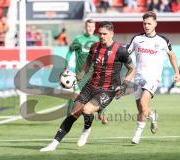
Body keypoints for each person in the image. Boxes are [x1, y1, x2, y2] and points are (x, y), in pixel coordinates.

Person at [40, 21, 135, 152]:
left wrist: (124, 85)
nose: (101, 36)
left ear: (112, 34)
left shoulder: (120, 50)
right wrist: (76, 77)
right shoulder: (95, 47)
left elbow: (131, 69)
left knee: (87, 110)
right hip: (90, 85)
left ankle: (86, 129)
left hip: (107, 90)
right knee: (73, 113)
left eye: (104, 34)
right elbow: (87, 65)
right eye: (100, 33)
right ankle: (53, 144)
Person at [127, 11, 180, 144]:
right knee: (141, 108)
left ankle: (137, 135)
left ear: (155, 23)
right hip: (138, 78)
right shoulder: (137, 39)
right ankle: (152, 115)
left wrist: (177, 73)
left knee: (144, 104)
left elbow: (172, 55)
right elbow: (125, 54)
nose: (146, 26)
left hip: (152, 78)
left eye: (149, 23)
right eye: (144, 23)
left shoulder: (162, 41)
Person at [65, 19, 108, 124]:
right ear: (85, 27)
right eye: (88, 27)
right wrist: (66, 66)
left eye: (92, 27)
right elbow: (69, 52)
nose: (90, 29)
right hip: (80, 75)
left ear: (95, 28)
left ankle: (101, 114)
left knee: (99, 94)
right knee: (75, 95)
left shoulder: (98, 40)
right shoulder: (78, 39)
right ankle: (68, 117)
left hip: (95, 74)